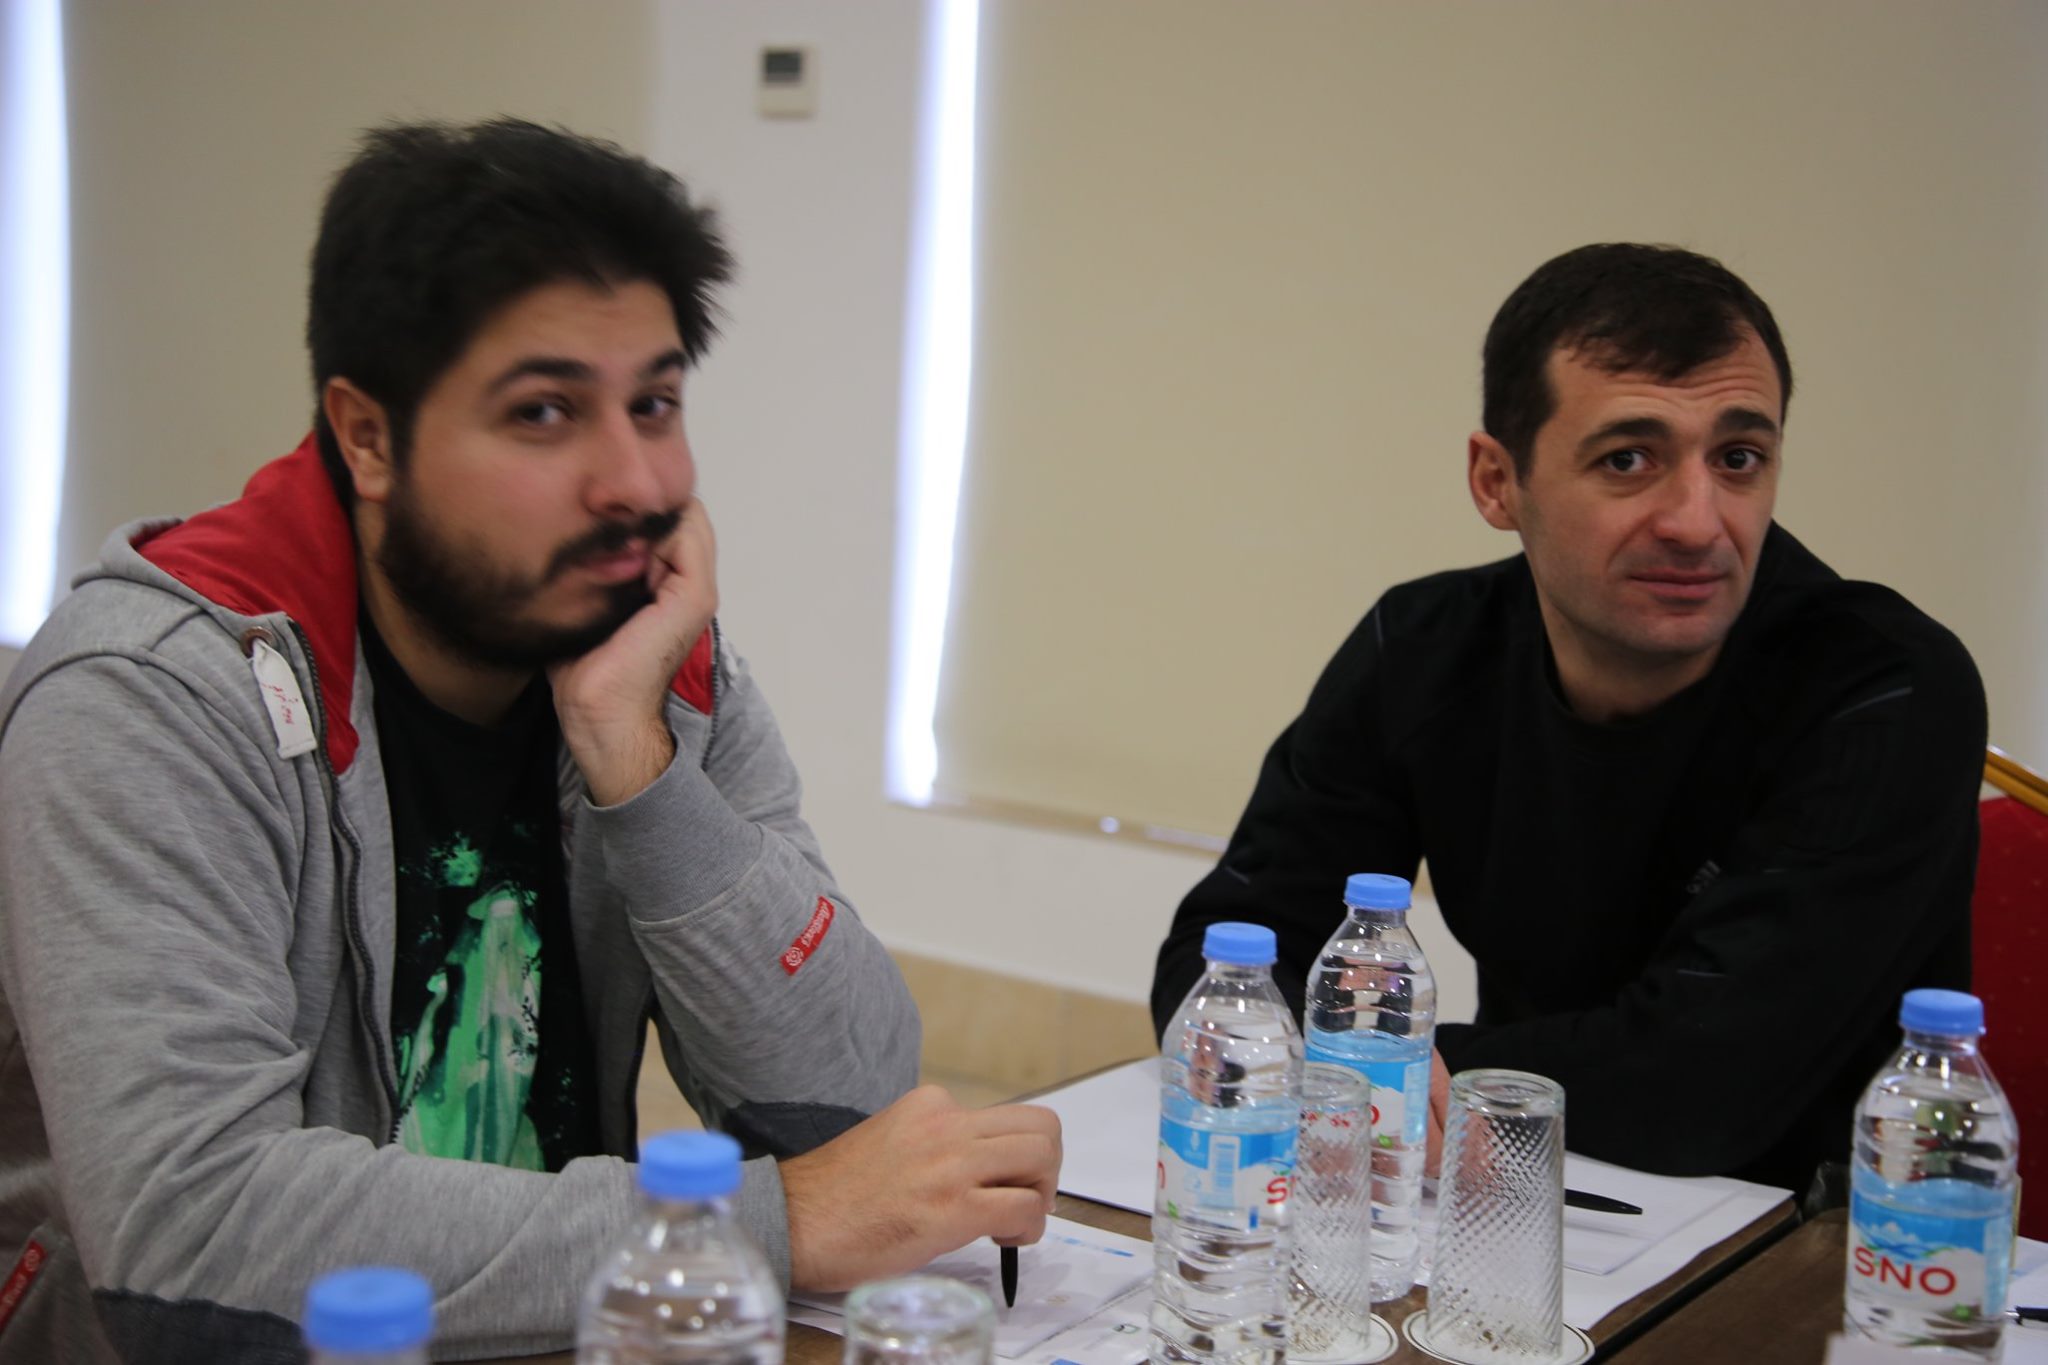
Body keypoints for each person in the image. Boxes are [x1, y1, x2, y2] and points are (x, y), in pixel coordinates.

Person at [0, 120, 1059, 1365]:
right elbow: (194, 1226)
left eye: (653, 404)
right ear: (367, 437)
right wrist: (762, 1225)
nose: (635, 483)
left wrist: (636, 764)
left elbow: (852, 1102)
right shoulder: (151, 694)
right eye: (544, 411)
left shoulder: (651, 664)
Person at [1150, 243, 1985, 1197]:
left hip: (1821, 1238)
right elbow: (1227, 960)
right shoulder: (1423, 648)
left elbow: (1696, 1086)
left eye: (1738, 458)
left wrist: (1363, 1070)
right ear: (1497, 481)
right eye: (1629, 459)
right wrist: (1323, 1063)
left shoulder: (1885, 686)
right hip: (1499, 1191)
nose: (1697, 521)